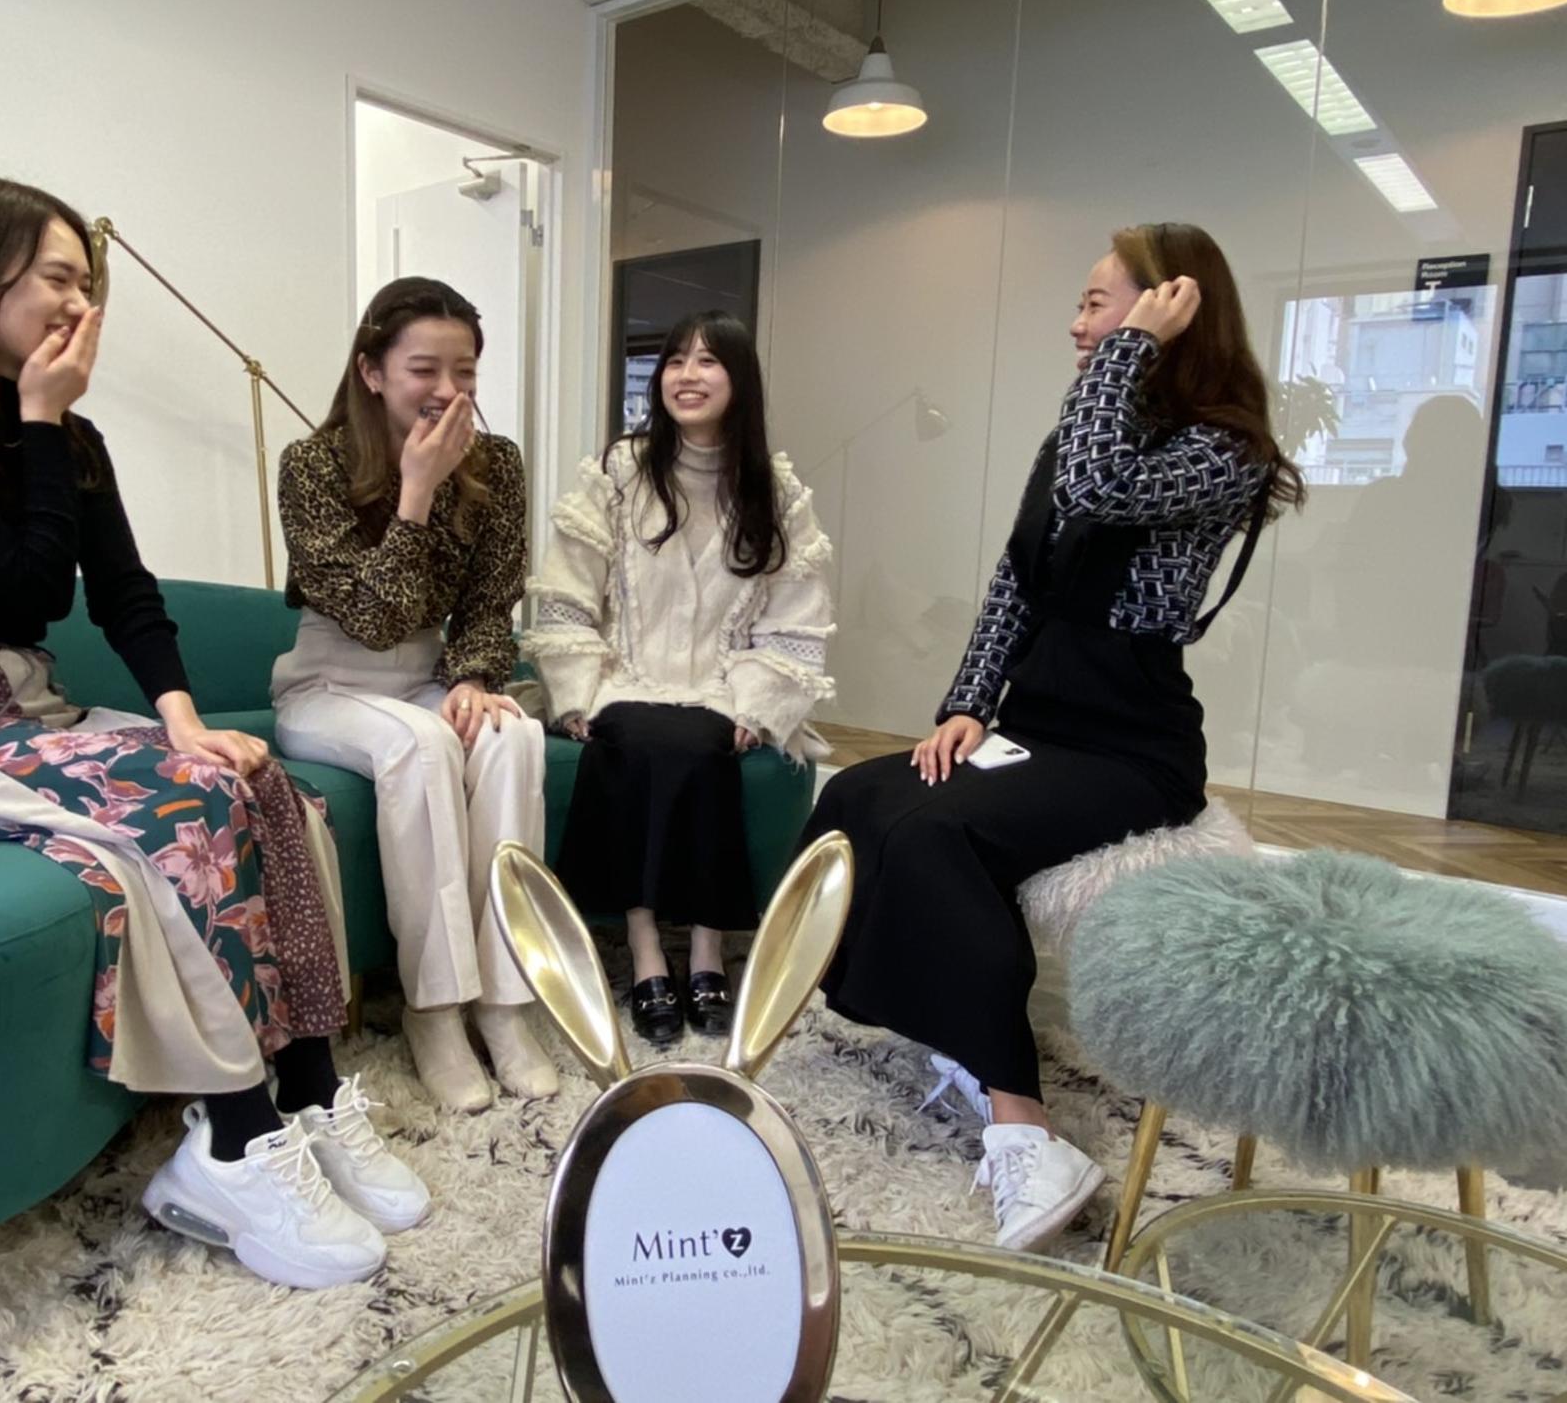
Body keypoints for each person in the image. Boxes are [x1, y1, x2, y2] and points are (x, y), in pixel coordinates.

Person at [0, 177, 428, 1293]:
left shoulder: (73, 437)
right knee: (177, 815)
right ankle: (231, 1141)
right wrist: (40, 423)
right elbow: (27, 586)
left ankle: (308, 1090)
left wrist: (186, 721)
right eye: (58, 278)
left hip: (28, 712)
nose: (79, 304)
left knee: (267, 788)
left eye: (87, 284)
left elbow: (124, 594)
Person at [804, 223, 1302, 1251]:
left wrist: (1131, 352)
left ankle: (1025, 1127)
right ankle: (950, 1021)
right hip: (1035, 721)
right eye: (1082, 306)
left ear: (1171, 308)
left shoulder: (1223, 450)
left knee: (938, 834)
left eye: (1097, 303)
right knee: (857, 795)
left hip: (1130, 746)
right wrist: (965, 704)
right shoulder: (1085, 424)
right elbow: (1015, 582)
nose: (1077, 325)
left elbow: (1098, 488)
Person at [272, 277, 557, 1112]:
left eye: (464, 371)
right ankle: (433, 1008)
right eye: (423, 369)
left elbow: (492, 598)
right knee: (421, 744)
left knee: (512, 735)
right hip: (330, 681)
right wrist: (418, 490)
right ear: (371, 371)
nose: (447, 390)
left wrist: (472, 677)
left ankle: (505, 1000)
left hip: (431, 676)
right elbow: (373, 617)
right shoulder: (312, 465)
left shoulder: (497, 463)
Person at [527, 311, 834, 1043]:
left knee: (700, 746)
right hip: (624, 679)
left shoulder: (776, 492)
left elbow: (795, 619)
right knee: (637, 740)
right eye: (674, 360)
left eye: (707, 361)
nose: (687, 376)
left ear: (739, 380)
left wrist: (756, 705)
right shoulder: (618, 472)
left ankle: (705, 947)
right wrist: (576, 693)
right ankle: (644, 949)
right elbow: (567, 593)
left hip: (721, 687)